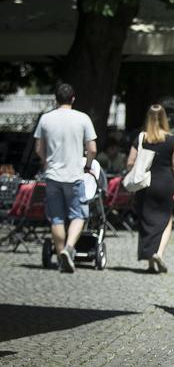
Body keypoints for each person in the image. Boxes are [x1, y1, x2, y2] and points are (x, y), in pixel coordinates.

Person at [33, 83, 97, 273]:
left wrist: (46, 163)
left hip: (53, 175)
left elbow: (39, 148)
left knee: (57, 218)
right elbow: (92, 148)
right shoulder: (82, 118)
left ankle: (62, 256)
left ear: (56, 99)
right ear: (73, 99)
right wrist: (87, 165)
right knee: (79, 215)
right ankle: (69, 248)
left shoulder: (46, 119)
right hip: (74, 174)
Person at [126, 104, 174, 273]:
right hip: (165, 183)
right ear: (165, 118)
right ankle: (158, 253)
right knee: (165, 221)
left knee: (146, 221)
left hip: (145, 184)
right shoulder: (173, 139)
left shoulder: (141, 138)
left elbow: (130, 162)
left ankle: (150, 261)